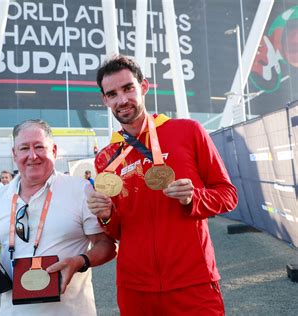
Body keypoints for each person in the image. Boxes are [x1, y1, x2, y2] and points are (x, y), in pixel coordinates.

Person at [87, 55, 238, 315]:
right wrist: (106, 215)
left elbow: (228, 195)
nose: (122, 100)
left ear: (144, 87)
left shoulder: (188, 131)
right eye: (112, 94)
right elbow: (117, 232)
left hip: (192, 281)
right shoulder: (105, 157)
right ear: (105, 100)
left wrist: (194, 198)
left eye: (128, 88)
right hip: (136, 289)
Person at [0, 119, 116, 315]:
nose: (32, 155)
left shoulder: (80, 189)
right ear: (14, 153)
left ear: (54, 150)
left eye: (39, 147)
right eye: (24, 148)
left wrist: (81, 261)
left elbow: (107, 245)